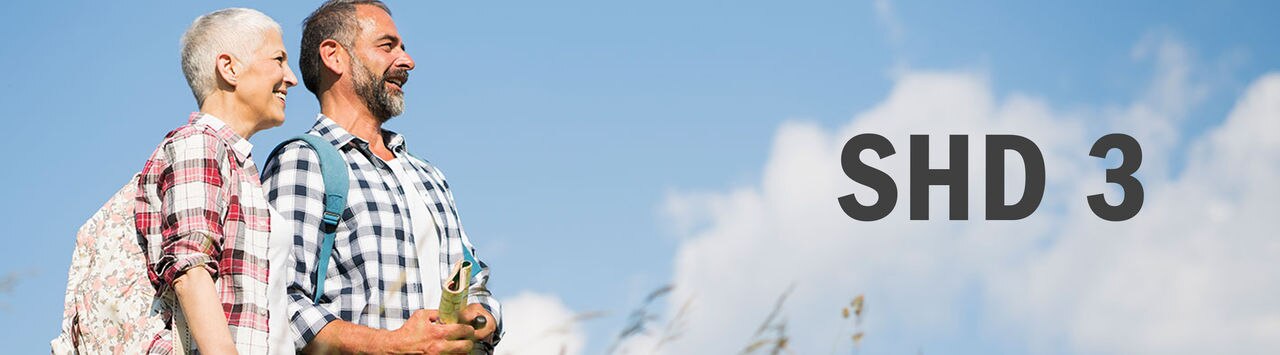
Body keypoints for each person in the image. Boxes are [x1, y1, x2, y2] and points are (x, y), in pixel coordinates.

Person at [262, 1, 503, 354]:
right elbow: (279, 300)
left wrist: (481, 318)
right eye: (387, 46)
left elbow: (476, 280)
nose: (407, 61)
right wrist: (393, 345)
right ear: (334, 56)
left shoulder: (428, 176)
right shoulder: (303, 162)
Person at [135, 8, 298, 354]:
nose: (291, 77)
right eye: (279, 59)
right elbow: (190, 272)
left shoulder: (237, 164)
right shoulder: (199, 144)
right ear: (229, 68)